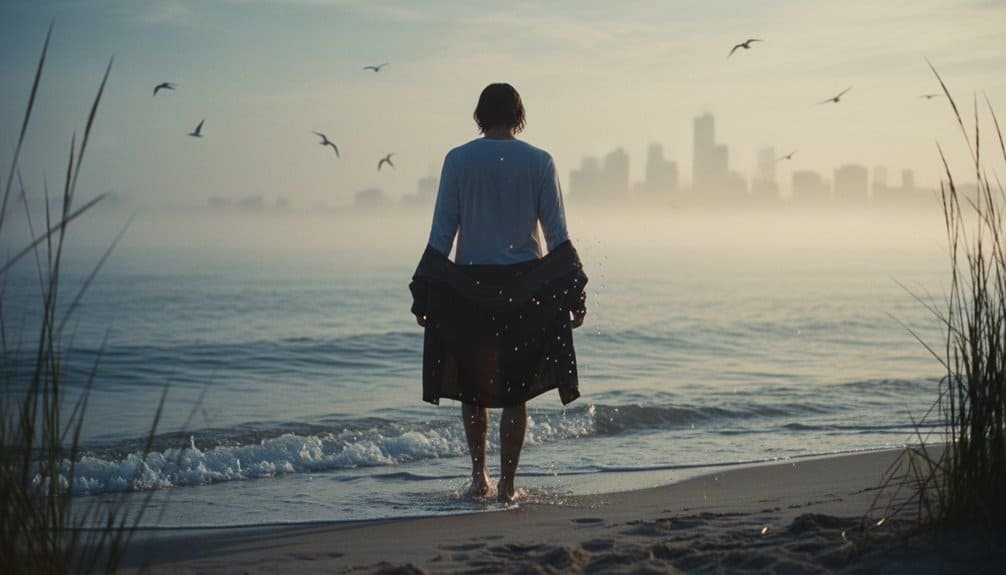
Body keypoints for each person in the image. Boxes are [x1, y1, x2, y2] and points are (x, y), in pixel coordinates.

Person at [409, 83, 588, 503]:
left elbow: (441, 234)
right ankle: (508, 486)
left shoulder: (457, 160)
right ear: (519, 115)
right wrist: (574, 292)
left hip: (468, 287)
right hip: (526, 288)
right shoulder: (540, 161)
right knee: (515, 389)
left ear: (479, 115)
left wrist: (425, 292)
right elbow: (558, 235)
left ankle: (479, 479)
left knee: (473, 389)